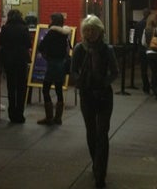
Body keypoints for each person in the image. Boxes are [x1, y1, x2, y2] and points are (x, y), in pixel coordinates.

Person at [71, 15, 118, 189]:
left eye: (93, 30)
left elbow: (114, 71)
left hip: (104, 96)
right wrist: (80, 81)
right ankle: (96, 162)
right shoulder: (79, 49)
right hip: (87, 95)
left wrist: (103, 83)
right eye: (87, 30)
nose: (89, 33)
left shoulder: (107, 49)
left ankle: (100, 173)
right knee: (91, 132)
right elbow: (72, 71)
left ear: (100, 31)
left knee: (102, 133)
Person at [37, 12, 72, 125]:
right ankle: (58, 118)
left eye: (51, 19)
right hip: (61, 64)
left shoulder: (52, 33)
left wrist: (45, 55)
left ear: (54, 21)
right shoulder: (65, 34)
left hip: (52, 64)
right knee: (58, 90)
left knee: (45, 89)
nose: (49, 21)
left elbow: (41, 46)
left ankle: (49, 117)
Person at [0, 9, 32, 123]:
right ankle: (20, 114)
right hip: (21, 60)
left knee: (11, 87)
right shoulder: (24, 28)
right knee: (21, 88)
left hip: (9, 60)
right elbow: (28, 44)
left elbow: (1, 42)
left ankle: (12, 113)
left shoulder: (5, 28)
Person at [142, 13, 157, 100]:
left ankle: (154, 86)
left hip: (149, 53)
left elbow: (143, 42)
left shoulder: (145, 30)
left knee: (154, 71)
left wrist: (149, 45)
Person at [133, 8, 151, 94]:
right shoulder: (152, 25)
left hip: (142, 49)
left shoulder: (138, 24)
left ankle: (146, 86)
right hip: (151, 49)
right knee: (154, 68)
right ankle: (154, 84)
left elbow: (135, 37)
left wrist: (135, 49)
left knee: (143, 69)